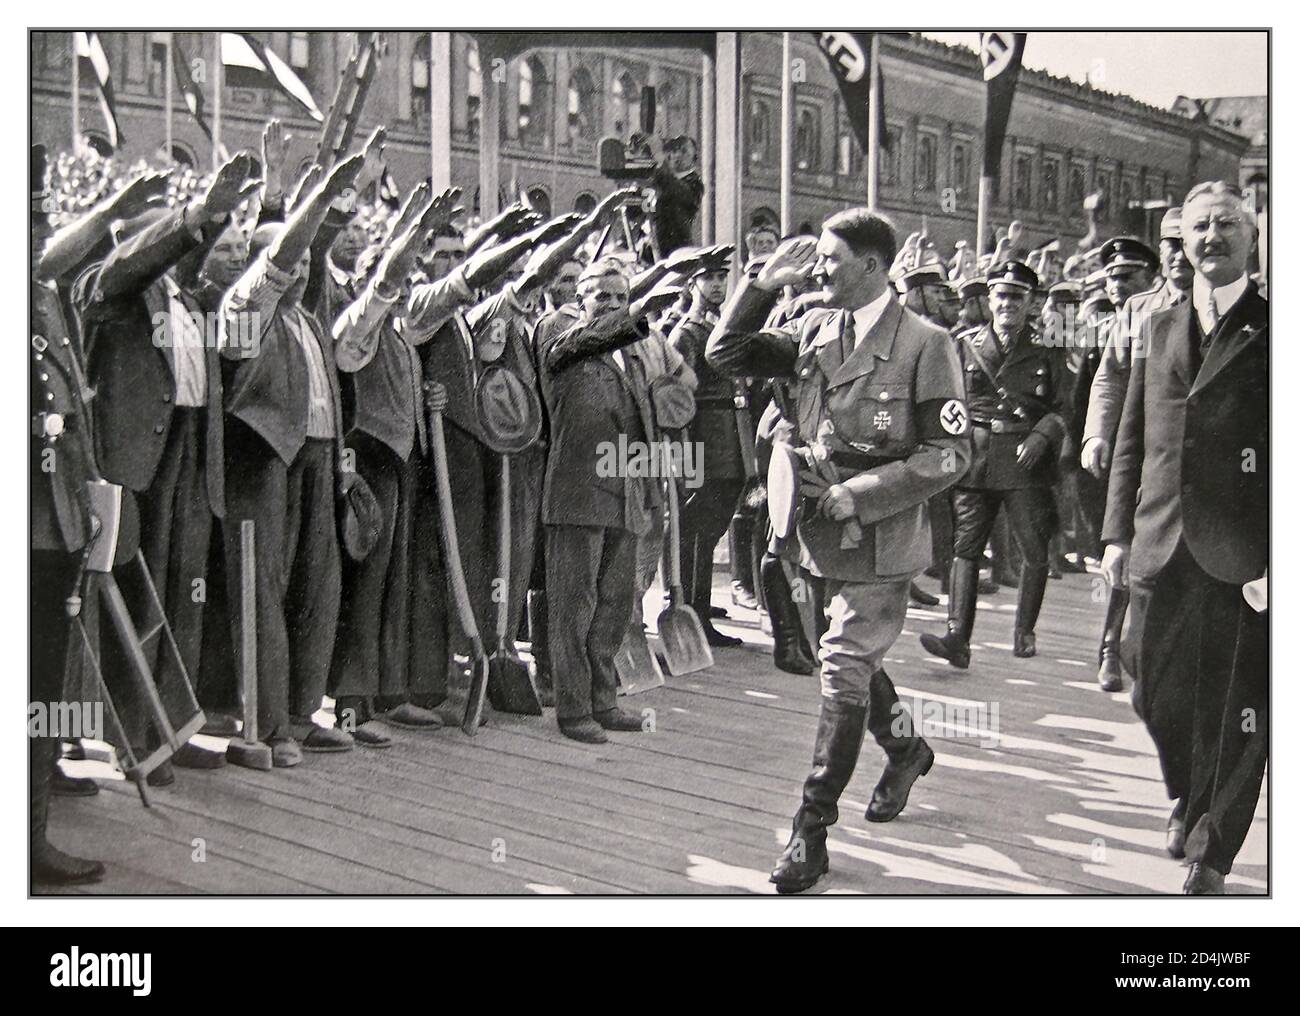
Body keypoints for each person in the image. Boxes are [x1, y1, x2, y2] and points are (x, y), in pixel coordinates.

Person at [706, 211, 971, 893]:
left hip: (880, 534)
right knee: (846, 658)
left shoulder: (926, 343)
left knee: (845, 661)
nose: (817, 269)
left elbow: (951, 453)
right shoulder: (812, 329)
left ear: (874, 267)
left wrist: (870, 491)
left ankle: (810, 828)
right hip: (814, 529)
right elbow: (724, 354)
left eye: (829, 259)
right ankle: (907, 747)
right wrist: (762, 284)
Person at [1102, 181, 1267, 893]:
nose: (1211, 239)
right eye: (1198, 228)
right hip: (1159, 540)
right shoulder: (1158, 327)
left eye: (1226, 225)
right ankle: (1188, 792)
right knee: (1150, 685)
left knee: (1239, 700)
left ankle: (1212, 849)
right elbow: (1131, 441)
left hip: (1243, 551)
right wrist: (1114, 534)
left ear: (1252, 239)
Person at [78, 152, 259, 781]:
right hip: (135, 464)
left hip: (185, 453)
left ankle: (172, 726)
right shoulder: (113, 287)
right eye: (173, 235)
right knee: (133, 596)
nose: (197, 242)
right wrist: (195, 213)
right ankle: (133, 740)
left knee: (182, 594)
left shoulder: (192, 299)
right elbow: (133, 262)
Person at [217, 154, 366, 767]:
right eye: (290, 261)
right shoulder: (243, 312)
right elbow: (275, 267)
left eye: (307, 261)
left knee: (318, 589)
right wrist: (320, 200)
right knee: (265, 591)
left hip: (317, 461)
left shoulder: (307, 318)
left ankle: (303, 716)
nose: (300, 269)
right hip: (264, 459)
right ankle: (267, 724)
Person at [921, 260, 1068, 667]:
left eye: (1016, 297)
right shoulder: (964, 343)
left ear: (1030, 303)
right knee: (965, 547)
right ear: (989, 300)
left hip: (1026, 460)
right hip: (978, 460)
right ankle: (957, 637)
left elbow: (1063, 407)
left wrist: (1042, 435)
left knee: (1033, 548)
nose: (1007, 304)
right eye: (1000, 296)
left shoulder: (1048, 348)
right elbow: (947, 401)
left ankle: (1024, 630)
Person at [537, 258, 660, 743]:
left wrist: (648, 485)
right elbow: (580, 340)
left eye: (620, 297)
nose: (610, 305)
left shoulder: (629, 355)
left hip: (622, 488)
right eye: (600, 295)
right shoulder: (561, 337)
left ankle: (604, 699)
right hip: (576, 491)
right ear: (579, 300)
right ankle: (573, 710)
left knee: (615, 602)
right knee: (574, 604)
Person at [30, 144, 106, 885]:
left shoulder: (43, 296)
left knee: (42, 689)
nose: (36, 235)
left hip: (49, 524)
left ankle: (31, 833)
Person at [669, 249, 747, 646]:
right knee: (697, 527)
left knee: (713, 524)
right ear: (692, 284)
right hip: (702, 439)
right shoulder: (687, 332)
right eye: (709, 277)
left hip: (728, 438)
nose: (717, 284)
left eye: (721, 277)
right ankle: (691, 610)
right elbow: (677, 398)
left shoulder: (723, 324)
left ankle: (698, 601)